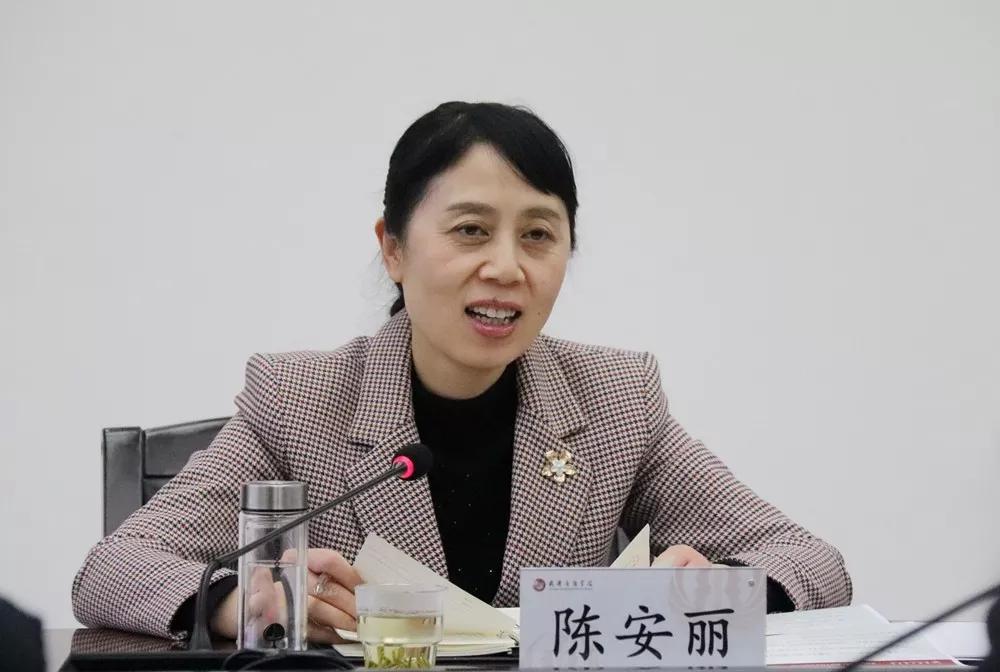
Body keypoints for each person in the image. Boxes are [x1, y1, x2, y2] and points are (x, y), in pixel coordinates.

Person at [72, 101, 852, 642]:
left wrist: (715, 586)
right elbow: (115, 570)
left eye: (539, 235)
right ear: (393, 248)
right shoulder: (299, 401)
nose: (507, 267)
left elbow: (811, 562)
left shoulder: (618, 400)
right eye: (471, 230)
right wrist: (240, 601)